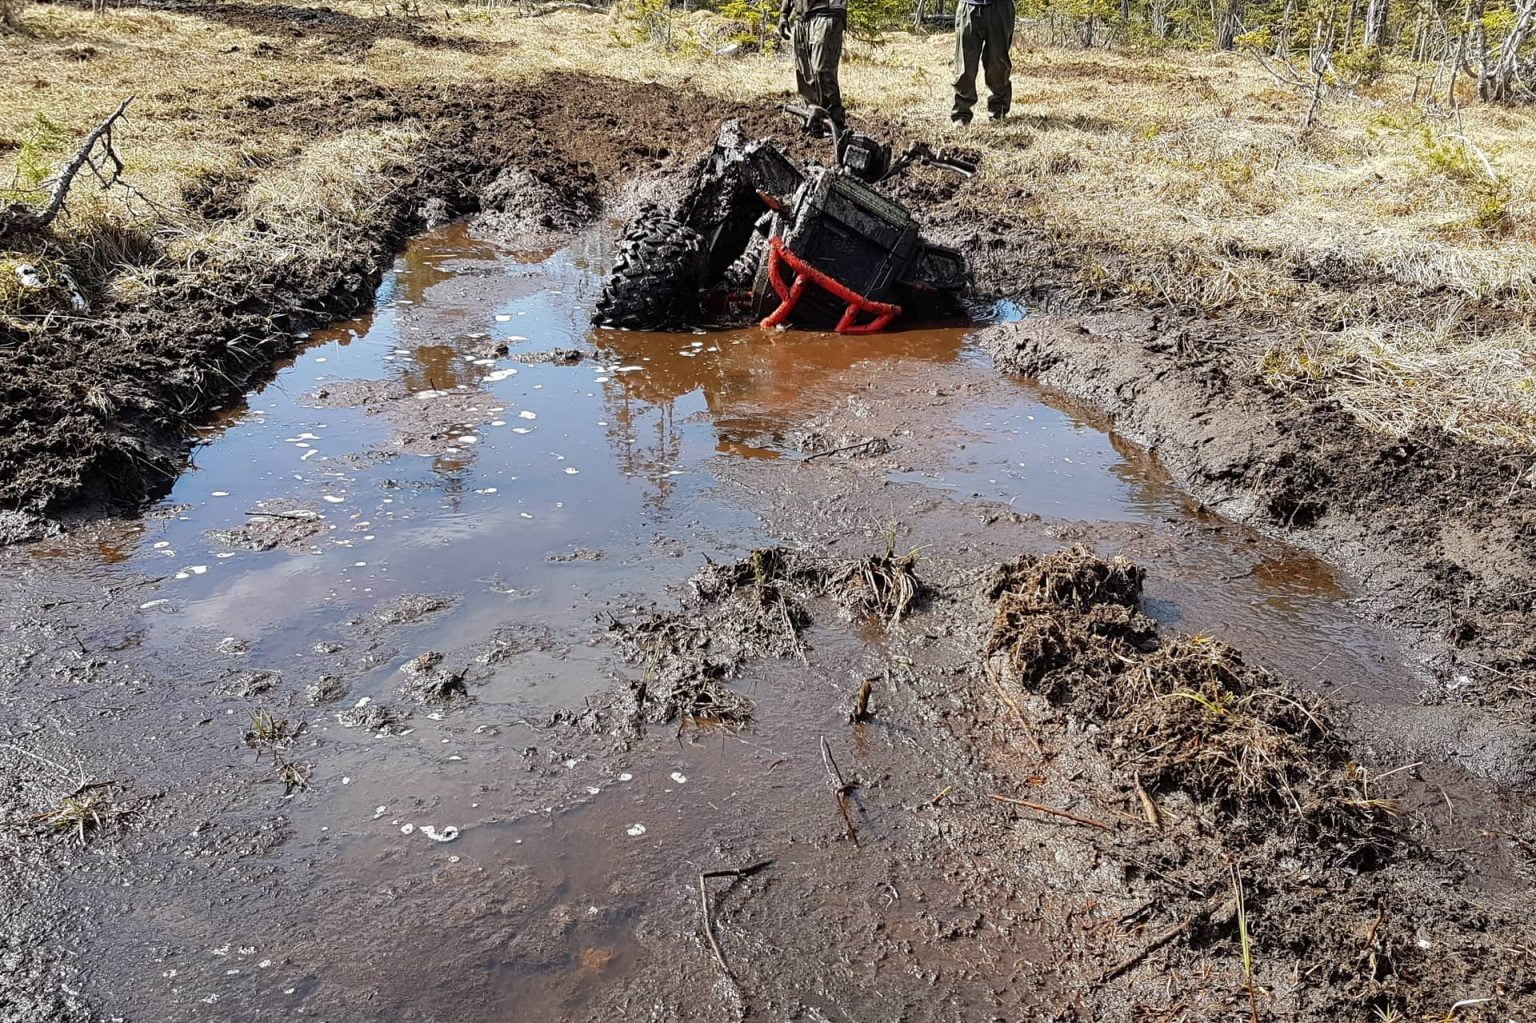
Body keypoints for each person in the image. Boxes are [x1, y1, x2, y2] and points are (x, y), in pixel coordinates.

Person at [778, 0, 847, 134]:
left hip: (827, 12)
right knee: (804, 72)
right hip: (801, 16)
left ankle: (833, 123)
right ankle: (812, 122)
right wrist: (784, 13)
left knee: (822, 70)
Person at [951, 0, 1014, 125]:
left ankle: (998, 113)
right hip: (968, 6)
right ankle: (961, 115)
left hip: (1000, 6)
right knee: (964, 65)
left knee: (998, 64)